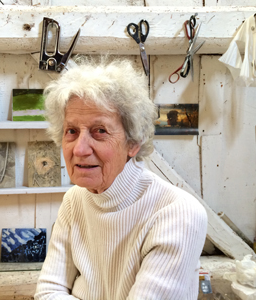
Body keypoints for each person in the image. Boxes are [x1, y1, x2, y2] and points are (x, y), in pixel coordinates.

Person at [34, 58, 208, 300]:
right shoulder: (74, 201)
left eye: (100, 131)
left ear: (133, 143)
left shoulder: (178, 213)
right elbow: (48, 291)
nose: (80, 149)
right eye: (71, 131)